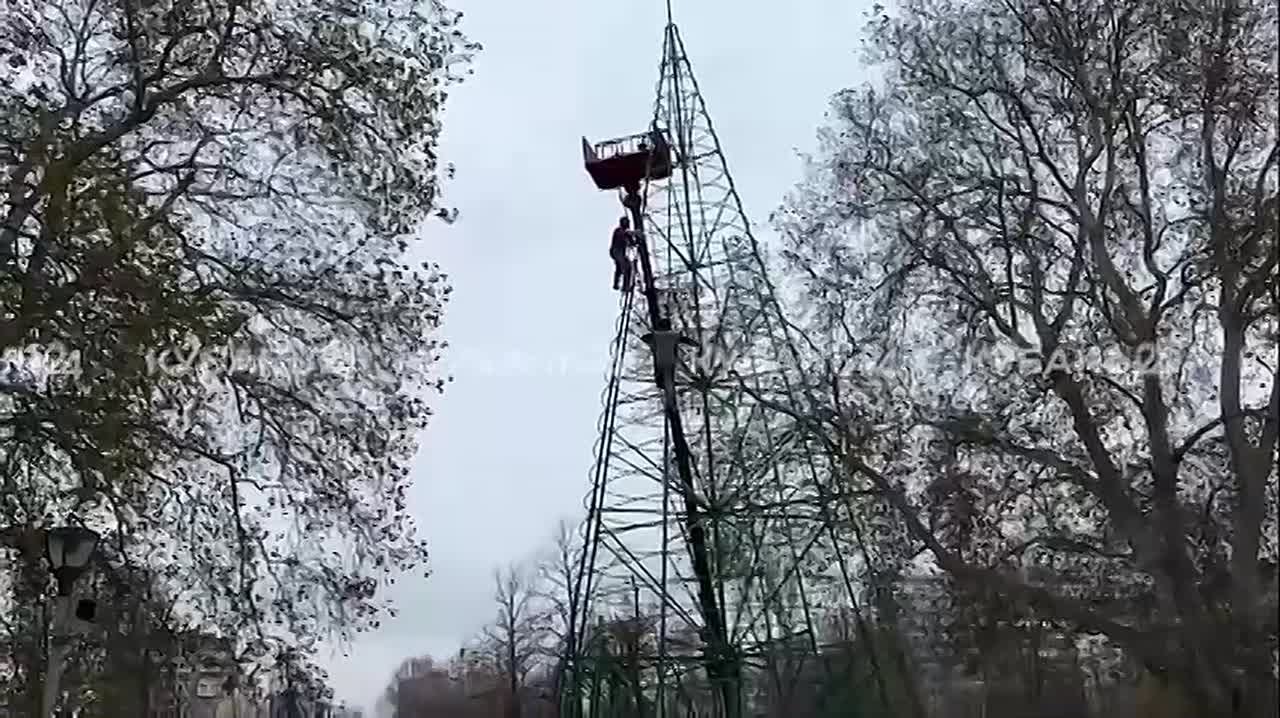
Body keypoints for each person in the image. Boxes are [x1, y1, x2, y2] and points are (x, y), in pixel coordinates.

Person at [610, 216, 634, 291]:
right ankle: (625, 286)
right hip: (617, 251)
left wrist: (633, 241)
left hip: (619, 253)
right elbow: (622, 236)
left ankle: (618, 285)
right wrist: (632, 234)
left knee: (620, 268)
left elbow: (631, 242)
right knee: (627, 267)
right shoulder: (619, 230)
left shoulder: (626, 232)